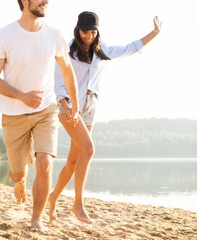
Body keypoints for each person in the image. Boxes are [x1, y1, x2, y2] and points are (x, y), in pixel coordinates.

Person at [49, 12, 162, 224]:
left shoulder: (102, 50)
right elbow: (57, 80)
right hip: (68, 105)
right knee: (89, 149)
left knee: (74, 160)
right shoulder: (67, 50)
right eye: (86, 31)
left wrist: (154, 33)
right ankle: (78, 204)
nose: (89, 35)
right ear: (78, 30)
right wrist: (65, 105)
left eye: (93, 31)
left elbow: (131, 47)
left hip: (90, 106)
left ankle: (53, 197)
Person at [0, 0, 80, 230]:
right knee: (18, 173)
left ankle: (36, 219)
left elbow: (67, 71)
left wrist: (75, 104)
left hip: (46, 109)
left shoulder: (55, 34)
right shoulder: (5, 35)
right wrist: (22, 96)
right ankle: (19, 182)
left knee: (44, 162)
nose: (46, 1)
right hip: (13, 113)